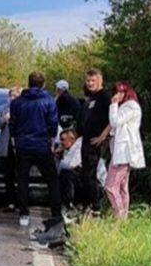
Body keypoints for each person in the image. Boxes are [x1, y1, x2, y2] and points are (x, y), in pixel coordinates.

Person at [9, 72, 61, 228]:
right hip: (42, 145)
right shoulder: (49, 100)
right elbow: (53, 123)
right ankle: (56, 213)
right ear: (43, 84)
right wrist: (51, 139)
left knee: (22, 180)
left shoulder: (17, 102)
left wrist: (15, 140)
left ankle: (24, 213)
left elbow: (13, 124)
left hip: (23, 145)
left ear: (29, 83)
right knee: (52, 180)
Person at [105, 81, 145, 220]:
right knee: (122, 187)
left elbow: (115, 121)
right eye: (116, 92)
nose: (117, 95)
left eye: (120, 92)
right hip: (121, 152)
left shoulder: (130, 106)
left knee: (111, 186)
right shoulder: (129, 106)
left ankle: (120, 217)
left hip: (123, 153)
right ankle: (123, 217)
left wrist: (113, 105)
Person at [78, 69, 113, 216]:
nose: (90, 83)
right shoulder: (89, 99)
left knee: (90, 174)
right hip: (85, 141)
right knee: (85, 175)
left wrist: (103, 136)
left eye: (93, 81)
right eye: (88, 81)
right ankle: (86, 207)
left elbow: (114, 117)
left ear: (100, 81)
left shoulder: (104, 96)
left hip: (97, 143)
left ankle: (96, 207)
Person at [0, 86, 22, 212]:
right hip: (7, 146)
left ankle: (21, 202)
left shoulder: (23, 109)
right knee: (8, 175)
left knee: (20, 175)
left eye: (15, 96)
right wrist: (4, 119)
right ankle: (10, 201)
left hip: (20, 146)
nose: (12, 98)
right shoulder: (3, 109)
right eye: (11, 95)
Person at [55, 129, 84, 214]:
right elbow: (57, 171)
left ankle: (70, 203)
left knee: (66, 174)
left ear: (72, 139)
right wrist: (57, 157)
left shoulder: (78, 147)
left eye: (63, 139)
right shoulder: (67, 151)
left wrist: (61, 162)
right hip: (79, 179)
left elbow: (71, 164)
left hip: (90, 181)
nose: (61, 143)